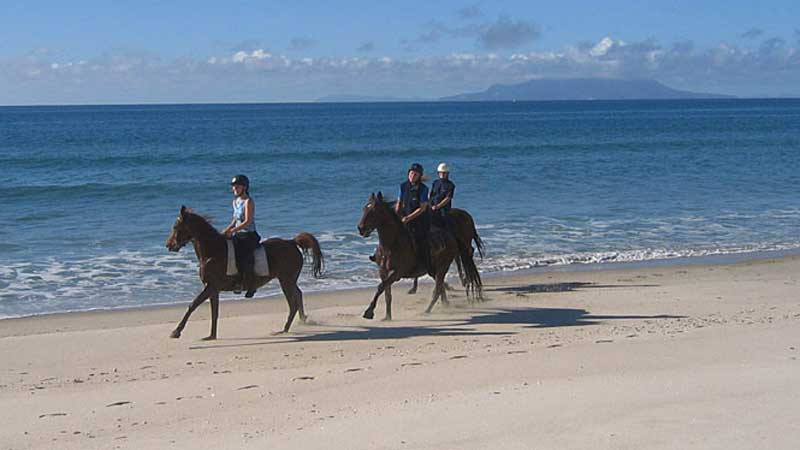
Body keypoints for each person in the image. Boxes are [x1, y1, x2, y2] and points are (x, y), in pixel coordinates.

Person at [223, 175, 261, 298]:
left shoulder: (248, 201)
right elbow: (235, 220)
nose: (234, 189)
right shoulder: (235, 202)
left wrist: (233, 230)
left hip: (249, 235)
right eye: (234, 187)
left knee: (243, 256)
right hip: (238, 234)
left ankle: (250, 284)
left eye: (237, 186)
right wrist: (226, 230)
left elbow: (248, 221)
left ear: (244, 187)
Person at [396, 163, 431, 271]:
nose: (412, 176)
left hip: (419, 219)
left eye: (415, 174)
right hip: (404, 216)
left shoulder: (423, 189)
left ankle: (423, 262)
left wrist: (409, 218)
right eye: (411, 173)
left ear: (419, 176)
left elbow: (422, 208)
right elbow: (399, 202)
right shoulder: (403, 186)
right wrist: (397, 213)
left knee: (418, 239)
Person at [429, 162, 455, 230]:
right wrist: (429, 204)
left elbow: (448, 198)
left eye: (444, 173)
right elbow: (431, 194)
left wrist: (438, 206)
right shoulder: (435, 182)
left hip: (444, 209)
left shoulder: (450, 185)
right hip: (433, 206)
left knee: (445, 221)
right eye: (440, 173)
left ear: (447, 173)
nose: (442, 174)